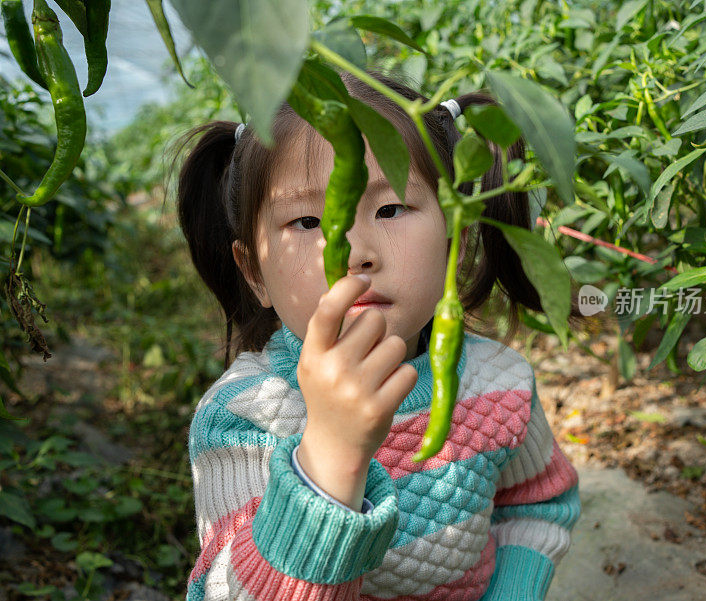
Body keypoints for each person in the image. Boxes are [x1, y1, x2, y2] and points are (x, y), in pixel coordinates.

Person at [170, 67, 581, 601]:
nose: (357, 252)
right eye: (308, 223)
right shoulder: (247, 415)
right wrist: (331, 456)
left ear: (455, 237)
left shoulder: (496, 382)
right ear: (254, 273)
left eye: (391, 208)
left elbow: (536, 504)